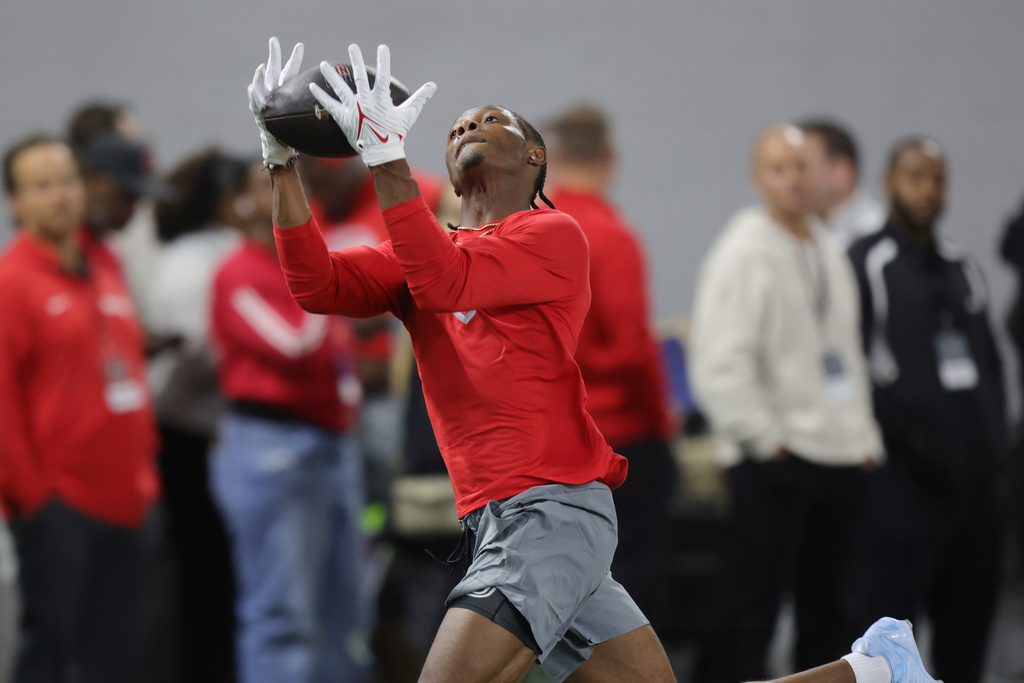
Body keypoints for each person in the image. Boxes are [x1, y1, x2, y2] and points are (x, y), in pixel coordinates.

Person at [247, 38, 930, 683]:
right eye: (455, 125)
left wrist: (386, 159)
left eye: (491, 122)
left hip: (544, 511)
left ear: (535, 159)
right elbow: (315, 284)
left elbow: (444, 280)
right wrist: (282, 162)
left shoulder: (551, 234)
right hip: (508, 515)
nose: (466, 127)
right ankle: (874, 668)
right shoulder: (427, 248)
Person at [690, 125, 883, 681]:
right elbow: (721, 361)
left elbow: (846, 353)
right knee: (750, 610)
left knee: (830, 615)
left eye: (803, 167)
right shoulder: (743, 250)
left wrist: (862, 439)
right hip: (775, 462)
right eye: (779, 169)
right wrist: (762, 441)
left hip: (841, 458)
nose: (794, 180)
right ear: (758, 179)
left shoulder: (825, 244)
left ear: (823, 174)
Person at [0, 134, 160, 682]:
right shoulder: (12, 282)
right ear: (16, 202)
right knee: (50, 652)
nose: (60, 196)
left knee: (113, 656)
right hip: (59, 506)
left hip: (129, 501)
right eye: (41, 187)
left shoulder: (103, 262)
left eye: (66, 181)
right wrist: (33, 502)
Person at [847, 137, 1006, 683]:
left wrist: (994, 449)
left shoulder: (963, 265)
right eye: (915, 177)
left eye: (937, 179)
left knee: (968, 635)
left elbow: (990, 365)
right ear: (888, 183)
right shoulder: (867, 261)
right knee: (888, 646)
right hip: (904, 489)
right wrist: (912, 440)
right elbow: (854, 367)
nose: (927, 191)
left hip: (975, 491)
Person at [208, 158, 371, 683]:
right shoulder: (239, 273)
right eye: (271, 183)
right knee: (284, 616)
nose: (289, 193)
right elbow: (298, 343)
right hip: (274, 451)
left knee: (343, 612)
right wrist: (330, 287)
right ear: (242, 202)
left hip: (331, 443)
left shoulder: (308, 262)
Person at [543, 103, 676, 629]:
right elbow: (633, 350)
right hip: (617, 441)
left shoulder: (525, 232)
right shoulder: (612, 237)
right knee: (626, 585)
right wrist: (660, 426)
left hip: (547, 443)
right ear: (610, 157)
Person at [150, 148, 250, 682]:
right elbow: (206, 352)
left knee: (213, 571)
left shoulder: (207, 252)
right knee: (204, 572)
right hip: (190, 433)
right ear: (225, 200)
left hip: (205, 428)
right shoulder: (199, 260)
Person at [798, 119, 885, 250]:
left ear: (841, 171)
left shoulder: (882, 236)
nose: (793, 179)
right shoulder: (799, 233)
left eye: (802, 166)